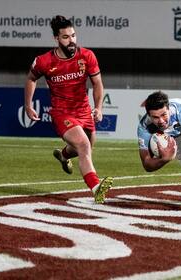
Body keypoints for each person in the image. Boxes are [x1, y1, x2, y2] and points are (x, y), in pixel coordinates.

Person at [24, 15, 112, 203]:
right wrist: (28, 105)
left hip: (84, 111)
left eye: (73, 35)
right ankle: (97, 189)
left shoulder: (87, 56)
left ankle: (63, 155)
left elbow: (97, 83)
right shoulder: (44, 61)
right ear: (56, 38)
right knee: (83, 145)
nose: (71, 40)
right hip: (62, 112)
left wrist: (98, 107)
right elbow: (31, 79)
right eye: (66, 37)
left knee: (84, 149)